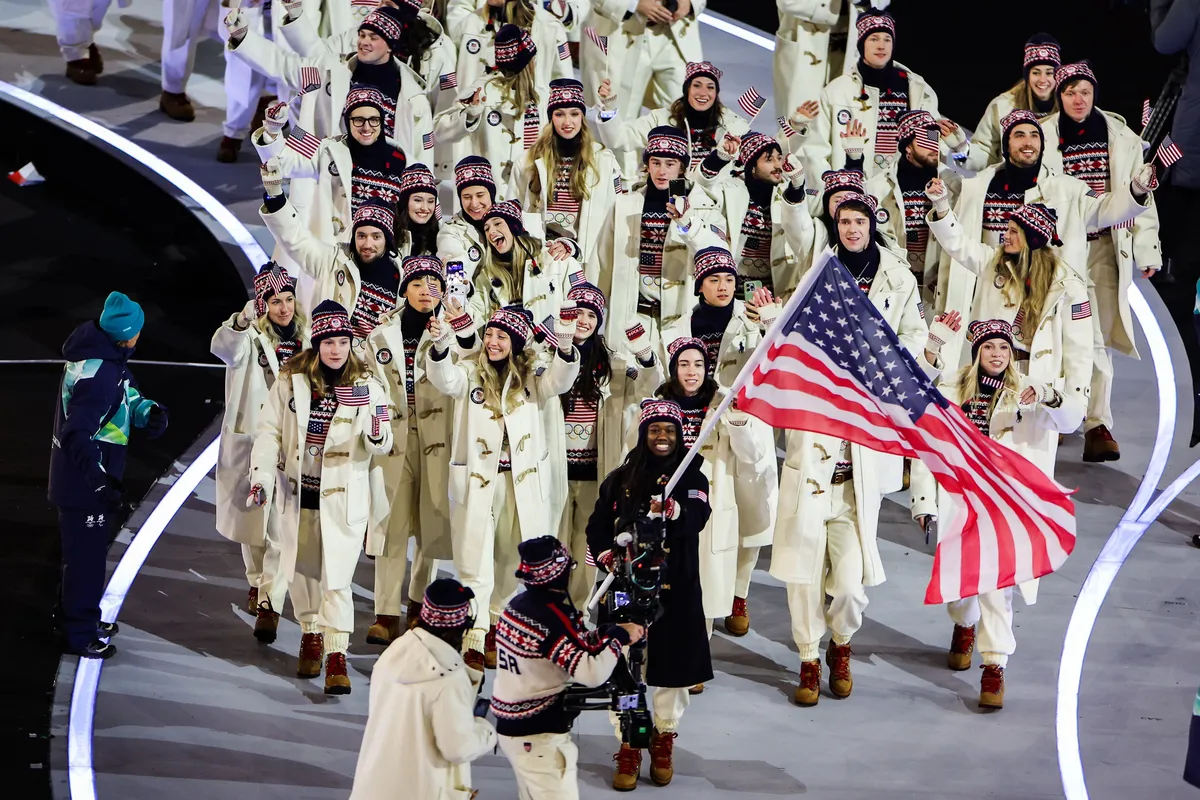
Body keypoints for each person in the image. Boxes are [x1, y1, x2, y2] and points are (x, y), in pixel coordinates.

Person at [766, 193, 940, 705]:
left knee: (849, 586)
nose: (852, 229)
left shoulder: (899, 278)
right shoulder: (819, 271)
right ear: (835, 225)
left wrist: (883, 360)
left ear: (872, 225)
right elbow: (789, 332)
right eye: (844, 220)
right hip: (811, 451)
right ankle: (808, 658)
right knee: (801, 577)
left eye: (860, 220)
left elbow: (913, 338)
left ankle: (841, 642)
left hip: (858, 464)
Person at [911, 319, 1083, 709]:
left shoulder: (1026, 390)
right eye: (989, 347)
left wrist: (1050, 395)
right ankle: (963, 621)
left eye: (1004, 348)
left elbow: (1070, 420)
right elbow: (927, 445)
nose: (997, 354)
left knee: (997, 585)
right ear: (977, 353)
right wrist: (922, 502)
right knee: (961, 584)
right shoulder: (952, 390)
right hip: (959, 498)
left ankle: (994, 665)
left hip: (1005, 503)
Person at [934, 109, 1155, 371]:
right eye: (1019, 135)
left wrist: (1135, 192)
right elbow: (961, 244)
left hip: (1045, 301)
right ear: (1006, 145)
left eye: (1033, 135)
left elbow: (1106, 209)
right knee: (991, 383)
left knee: (1045, 382)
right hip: (994, 300)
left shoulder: (1067, 189)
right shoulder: (980, 187)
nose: (1028, 142)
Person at [249, 300, 393, 694]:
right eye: (328, 342)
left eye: (342, 342)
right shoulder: (290, 379)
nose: (335, 349)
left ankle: (336, 655)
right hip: (298, 496)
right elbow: (269, 433)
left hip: (343, 499)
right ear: (316, 343)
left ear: (350, 343)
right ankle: (310, 633)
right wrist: (260, 475)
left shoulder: (367, 385)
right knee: (302, 572)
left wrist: (377, 426)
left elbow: (381, 444)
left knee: (338, 581)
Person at [425, 305, 580, 670]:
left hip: (519, 483)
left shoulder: (533, 377)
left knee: (512, 555)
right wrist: (440, 344)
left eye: (502, 337)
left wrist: (567, 345)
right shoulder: (469, 372)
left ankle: (497, 619)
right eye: (490, 335)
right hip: (480, 481)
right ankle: (474, 634)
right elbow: (445, 379)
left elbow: (560, 381)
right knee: (473, 556)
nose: (493, 343)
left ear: (515, 343)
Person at [585, 398, 712, 790]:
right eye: (655, 429)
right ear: (643, 434)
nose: (662, 437)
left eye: (670, 431)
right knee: (624, 668)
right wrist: (606, 554)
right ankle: (630, 742)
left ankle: (663, 737)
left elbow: (698, 516)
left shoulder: (692, 478)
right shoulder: (620, 479)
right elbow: (596, 526)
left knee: (672, 669)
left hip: (674, 589)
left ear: (679, 437)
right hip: (624, 589)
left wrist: (673, 510)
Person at [1040, 61, 1163, 462]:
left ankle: (1097, 423)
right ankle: (1058, 413)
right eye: (1071, 92)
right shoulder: (1042, 134)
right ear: (1060, 96)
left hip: (1106, 248)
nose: (1079, 99)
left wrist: (1147, 248)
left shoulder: (1120, 136)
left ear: (1095, 95)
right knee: (1055, 331)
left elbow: (1141, 196)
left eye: (1085, 92)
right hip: (1059, 249)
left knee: (1097, 340)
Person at [926, 191, 1094, 474]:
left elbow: (1080, 349)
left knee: (1029, 458)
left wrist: (1076, 399)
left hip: (1035, 379)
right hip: (993, 366)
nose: (1005, 236)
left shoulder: (1068, 286)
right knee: (983, 443)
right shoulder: (995, 262)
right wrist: (941, 206)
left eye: (1014, 232)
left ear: (1032, 240)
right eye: (1007, 230)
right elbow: (959, 245)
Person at [661, 248, 775, 636]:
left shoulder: (753, 321)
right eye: (714, 280)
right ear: (699, 285)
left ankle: (739, 591)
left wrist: (768, 325)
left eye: (729, 279)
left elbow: (772, 363)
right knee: (715, 521)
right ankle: (702, 614)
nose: (723, 287)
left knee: (749, 513)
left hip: (744, 426)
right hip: (697, 434)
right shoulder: (677, 328)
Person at [50, 291, 169, 659]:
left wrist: (146, 411)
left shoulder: (106, 360)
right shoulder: (98, 375)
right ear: (129, 335)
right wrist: (98, 479)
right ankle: (79, 632)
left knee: (83, 557)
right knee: (85, 562)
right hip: (84, 484)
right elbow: (77, 433)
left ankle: (77, 616)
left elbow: (124, 393)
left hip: (85, 480)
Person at [491, 536, 645, 799]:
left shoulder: (517, 607)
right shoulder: (550, 618)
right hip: (537, 736)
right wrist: (619, 640)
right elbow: (592, 673)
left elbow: (565, 645)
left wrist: (605, 633)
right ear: (556, 572)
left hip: (514, 730)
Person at [211, 263, 309, 642]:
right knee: (254, 525)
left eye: (288, 300)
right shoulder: (249, 337)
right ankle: (256, 582)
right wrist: (240, 320)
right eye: (275, 301)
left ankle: (269, 601)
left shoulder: (307, 340)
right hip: (254, 437)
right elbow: (224, 348)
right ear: (262, 304)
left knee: (280, 529)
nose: (283, 308)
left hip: (292, 442)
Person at [557, 281, 664, 607]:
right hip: (555, 472)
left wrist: (646, 355)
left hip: (594, 474)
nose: (584, 321)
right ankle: (551, 610)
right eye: (578, 313)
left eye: (591, 315)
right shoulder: (551, 357)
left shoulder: (615, 363)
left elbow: (651, 386)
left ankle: (577, 610)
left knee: (585, 546)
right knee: (555, 544)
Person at [363, 256, 452, 644]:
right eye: (418, 283)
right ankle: (385, 614)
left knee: (431, 526)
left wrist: (448, 340)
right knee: (391, 527)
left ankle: (419, 606)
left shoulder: (453, 332)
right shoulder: (382, 332)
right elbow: (368, 380)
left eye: (434, 284)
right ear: (405, 289)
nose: (425, 290)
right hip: (393, 442)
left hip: (436, 442)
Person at [225, 3, 434, 159]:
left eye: (373, 37)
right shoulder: (331, 70)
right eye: (362, 35)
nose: (363, 42)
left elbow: (422, 161)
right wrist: (245, 39)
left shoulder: (413, 99)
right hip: (334, 186)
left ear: (391, 45)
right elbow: (286, 65)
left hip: (385, 198)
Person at [350, 578, 496, 799]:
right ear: (462, 627)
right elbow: (457, 748)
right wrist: (485, 731)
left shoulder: (394, 653)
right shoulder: (449, 678)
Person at [593, 126, 718, 362]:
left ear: (682, 167)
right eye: (656, 162)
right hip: (632, 316)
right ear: (647, 164)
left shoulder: (704, 206)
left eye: (670, 164)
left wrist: (687, 224)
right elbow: (601, 262)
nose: (662, 171)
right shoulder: (625, 205)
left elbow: (718, 254)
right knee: (628, 390)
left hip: (682, 319)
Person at [260, 160, 403, 346]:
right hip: (332, 362)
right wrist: (275, 196)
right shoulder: (332, 260)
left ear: (387, 240)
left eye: (376, 237)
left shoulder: (402, 276)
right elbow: (295, 238)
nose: (367, 244)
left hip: (378, 369)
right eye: (361, 236)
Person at [253, 86, 408, 247]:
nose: (367, 127)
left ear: (382, 122)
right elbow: (282, 164)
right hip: (336, 254)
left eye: (374, 120)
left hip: (386, 255)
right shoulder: (329, 151)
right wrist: (272, 131)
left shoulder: (402, 161)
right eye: (359, 120)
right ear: (348, 121)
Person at [801, 12, 943, 180]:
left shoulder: (918, 90)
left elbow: (934, 139)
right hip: (853, 191)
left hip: (901, 190)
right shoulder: (836, 91)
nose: (881, 46)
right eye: (874, 39)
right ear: (861, 44)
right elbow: (817, 150)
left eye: (887, 40)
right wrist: (832, 188)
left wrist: (955, 148)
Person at [510, 78, 621, 262]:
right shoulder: (527, 161)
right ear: (551, 117)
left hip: (582, 258)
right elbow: (513, 209)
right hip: (540, 256)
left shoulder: (603, 160)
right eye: (559, 114)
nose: (567, 122)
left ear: (582, 117)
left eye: (574, 114)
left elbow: (613, 217)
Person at [863, 109, 963, 309]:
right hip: (894, 290)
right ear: (907, 147)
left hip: (936, 293)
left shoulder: (954, 185)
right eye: (925, 139)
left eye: (935, 138)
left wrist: (960, 147)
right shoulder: (877, 188)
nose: (933, 146)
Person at [690, 131, 808, 298]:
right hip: (728, 297)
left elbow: (803, 233)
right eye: (769, 159)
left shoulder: (787, 195)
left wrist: (798, 187)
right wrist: (718, 159)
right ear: (752, 167)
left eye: (779, 158)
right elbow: (698, 192)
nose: (778, 165)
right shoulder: (730, 190)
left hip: (771, 299)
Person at [434, 24, 547, 189]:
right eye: (532, 58)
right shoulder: (482, 90)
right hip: (490, 194)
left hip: (526, 190)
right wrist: (470, 114)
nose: (535, 63)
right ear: (524, 63)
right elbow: (440, 130)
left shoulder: (539, 95)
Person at [594, 61, 751, 179]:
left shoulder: (734, 126)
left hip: (711, 204)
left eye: (710, 87)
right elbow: (619, 139)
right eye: (697, 85)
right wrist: (609, 106)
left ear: (716, 93)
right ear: (687, 89)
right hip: (666, 195)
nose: (703, 93)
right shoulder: (661, 119)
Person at [579, 0, 705, 134]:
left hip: (676, 32)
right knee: (621, 120)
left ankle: (675, 153)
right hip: (621, 29)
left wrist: (691, 3)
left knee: (686, 114)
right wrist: (634, 4)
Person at [964, 33, 1061, 173]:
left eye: (1049, 72)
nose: (1042, 79)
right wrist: (960, 149)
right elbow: (985, 152)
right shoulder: (1003, 105)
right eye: (1036, 72)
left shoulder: (1069, 105)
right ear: (1027, 75)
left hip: (1056, 190)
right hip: (1012, 189)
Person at [393, 163, 443, 258]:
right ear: (405, 202)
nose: (425, 208)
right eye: (418, 200)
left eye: (430, 201)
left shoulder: (439, 235)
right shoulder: (388, 231)